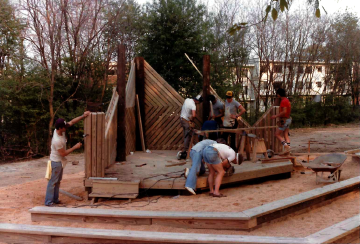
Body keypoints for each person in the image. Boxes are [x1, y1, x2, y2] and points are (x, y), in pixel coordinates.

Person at [45, 111, 91, 206]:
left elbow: (72, 122)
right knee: (52, 182)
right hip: (56, 162)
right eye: (64, 127)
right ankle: (48, 202)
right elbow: (64, 153)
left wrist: (83, 115)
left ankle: (55, 199)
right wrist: (75, 147)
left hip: (60, 162)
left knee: (57, 182)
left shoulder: (61, 129)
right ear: (60, 128)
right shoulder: (56, 141)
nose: (66, 127)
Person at [177, 95, 203, 160]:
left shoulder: (187, 100)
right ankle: (185, 151)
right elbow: (194, 115)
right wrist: (192, 120)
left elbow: (186, 110)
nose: (198, 103)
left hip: (182, 119)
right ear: (197, 101)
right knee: (187, 136)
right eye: (198, 102)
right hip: (186, 121)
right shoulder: (193, 105)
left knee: (187, 134)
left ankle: (189, 149)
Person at [271, 88, 291, 152]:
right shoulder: (287, 100)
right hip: (288, 119)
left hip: (284, 120)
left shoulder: (283, 101)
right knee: (285, 134)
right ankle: (288, 150)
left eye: (277, 94)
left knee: (277, 134)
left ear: (279, 94)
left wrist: (276, 116)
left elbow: (284, 111)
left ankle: (285, 145)